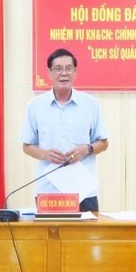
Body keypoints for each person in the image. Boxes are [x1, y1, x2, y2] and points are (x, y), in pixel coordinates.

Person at [20, 48, 109, 212]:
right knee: (50, 229)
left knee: (87, 229)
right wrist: (45, 154)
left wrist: (87, 149)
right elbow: (27, 146)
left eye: (69, 68)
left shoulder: (90, 104)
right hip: (49, 189)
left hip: (83, 190)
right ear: (49, 73)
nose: (64, 73)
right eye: (58, 69)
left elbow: (103, 143)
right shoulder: (35, 106)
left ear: (75, 73)